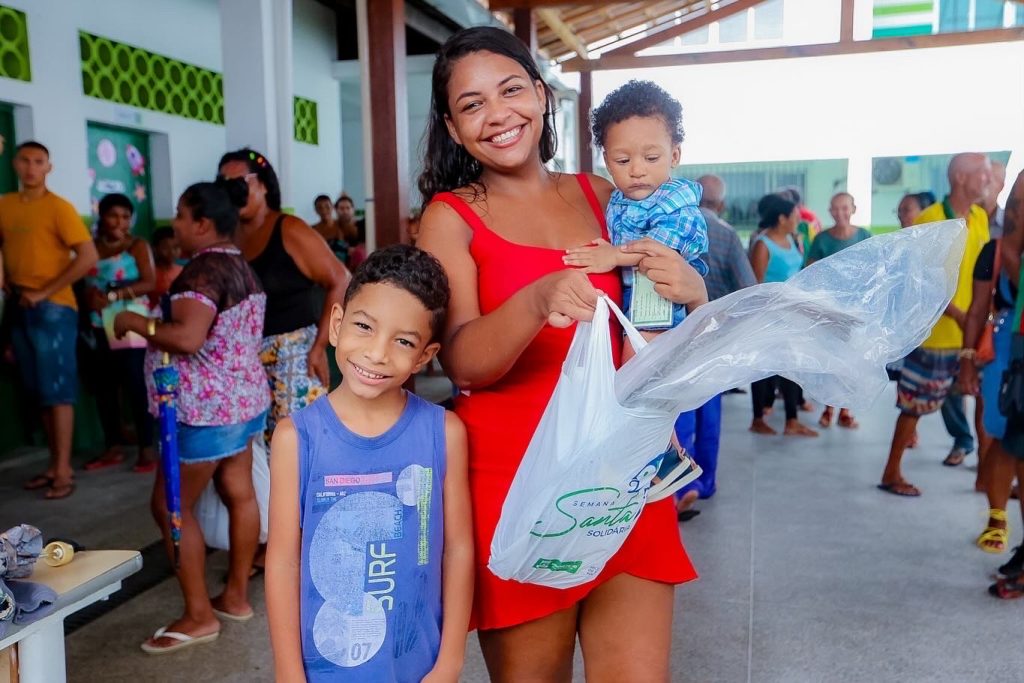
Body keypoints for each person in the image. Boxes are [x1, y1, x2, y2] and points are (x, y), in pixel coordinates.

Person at [415, 26, 707, 681]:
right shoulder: (450, 217)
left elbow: (660, 323)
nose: (498, 114)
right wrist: (533, 300)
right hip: (519, 488)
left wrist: (694, 291)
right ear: (453, 128)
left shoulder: (606, 195)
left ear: (542, 97)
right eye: (472, 104)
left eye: (511, 89)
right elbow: (460, 361)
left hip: (625, 474)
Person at [266, 245, 473, 682]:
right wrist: (288, 672)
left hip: (417, 668)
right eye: (364, 327)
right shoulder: (296, 438)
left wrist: (451, 660)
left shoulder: (443, 432)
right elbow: (283, 562)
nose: (377, 354)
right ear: (337, 325)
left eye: (402, 341)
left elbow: (457, 549)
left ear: (423, 356)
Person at [113, 182, 270, 653]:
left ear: (202, 224)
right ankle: (236, 596)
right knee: (238, 494)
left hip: (207, 414)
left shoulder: (201, 272)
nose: (175, 224)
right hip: (243, 404)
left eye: (181, 215)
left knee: (170, 508)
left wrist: (133, 322)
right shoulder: (241, 266)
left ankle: (200, 615)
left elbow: (187, 338)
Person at [562, 79, 708, 362]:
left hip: (658, 300)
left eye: (651, 157)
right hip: (629, 299)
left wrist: (612, 255)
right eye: (622, 161)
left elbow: (659, 250)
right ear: (606, 159)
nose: (637, 170)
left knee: (635, 367)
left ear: (674, 155)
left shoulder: (676, 201)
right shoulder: (617, 199)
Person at [217, 149, 350, 449]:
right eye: (224, 185)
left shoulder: (288, 228)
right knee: (260, 455)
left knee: (299, 450)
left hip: (294, 355)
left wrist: (320, 346)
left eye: (241, 183)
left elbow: (340, 280)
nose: (233, 192)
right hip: (247, 359)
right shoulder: (228, 236)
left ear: (263, 184)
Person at [878, 153, 991, 497]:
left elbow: (982, 274)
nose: (987, 179)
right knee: (913, 407)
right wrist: (959, 315)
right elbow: (921, 282)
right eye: (982, 173)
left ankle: (986, 477)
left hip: (973, 334)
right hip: (937, 335)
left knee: (983, 404)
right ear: (959, 177)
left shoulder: (980, 217)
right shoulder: (931, 218)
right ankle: (891, 472)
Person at [0, 141, 98, 500]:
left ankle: (64, 470)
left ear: (48, 168)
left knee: (58, 392)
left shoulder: (58, 207)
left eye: (38, 161)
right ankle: (54, 465)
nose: (30, 168)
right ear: (15, 164)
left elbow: (88, 255)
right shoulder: (5, 205)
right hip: (19, 305)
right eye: (25, 160)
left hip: (54, 308)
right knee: (39, 391)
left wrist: (45, 291)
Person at [674, 174, 756, 518]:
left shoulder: (673, 229)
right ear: (720, 204)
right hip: (715, 338)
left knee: (678, 413)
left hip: (675, 335)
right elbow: (748, 288)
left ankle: (679, 484)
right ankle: (704, 482)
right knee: (709, 412)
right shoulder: (726, 235)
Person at [81, 193, 157, 473]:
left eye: (126, 216)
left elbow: (149, 282)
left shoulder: (137, 245)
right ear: (102, 216)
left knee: (136, 385)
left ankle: (147, 449)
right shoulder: (90, 247)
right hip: (98, 324)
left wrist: (114, 295)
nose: (120, 222)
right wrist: (90, 297)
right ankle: (112, 445)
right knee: (105, 386)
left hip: (131, 323)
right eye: (114, 215)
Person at [749, 194, 818, 437]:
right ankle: (757, 418)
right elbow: (755, 286)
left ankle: (791, 420)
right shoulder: (763, 245)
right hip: (769, 316)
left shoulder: (791, 238)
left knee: (792, 366)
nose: (799, 220)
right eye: (795, 216)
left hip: (792, 313)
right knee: (763, 368)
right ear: (782, 218)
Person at [807, 191, 873, 430]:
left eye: (845, 208)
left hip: (856, 309)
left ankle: (845, 409)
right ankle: (828, 408)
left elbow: (874, 269)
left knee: (851, 360)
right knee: (831, 360)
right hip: (829, 308)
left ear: (853, 209)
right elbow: (811, 273)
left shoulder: (864, 236)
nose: (840, 213)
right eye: (835, 208)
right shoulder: (822, 240)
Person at [149, 226, 183, 310]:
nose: (171, 252)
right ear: (155, 249)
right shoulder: (149, 273)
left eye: (176, 247)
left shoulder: (183, 271)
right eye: (165, 247)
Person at [311, 193, 348, 263]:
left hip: (345, 269)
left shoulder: (342, 225)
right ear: (316, 210)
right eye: (320, 208)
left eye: (327, 207)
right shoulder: (313, 230)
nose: (324, 210)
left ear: (332, 207)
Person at [335, 193, 366, 270]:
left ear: (353, 209)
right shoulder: (333, 228)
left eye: (348, 208)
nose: (345, 211)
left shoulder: (363, 225)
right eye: (341, 208)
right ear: (336, 210)